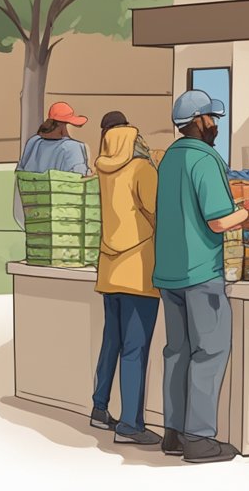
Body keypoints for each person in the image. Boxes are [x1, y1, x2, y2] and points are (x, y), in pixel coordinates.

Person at [153, 90, 248, 463]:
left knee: (177, 351)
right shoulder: (205, 159)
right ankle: (200, 438)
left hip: (169, 272)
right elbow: (218, 220)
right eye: (213, 118)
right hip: (201, 272)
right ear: (199, 121)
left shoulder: (170, 160)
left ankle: (173, 433)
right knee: (210, 351)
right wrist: (247, 211)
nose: (216, 125)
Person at [90, 111, 162, 444]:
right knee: (135, 348)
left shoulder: (104, 172)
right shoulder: (142, 170)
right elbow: (158, 211)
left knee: (111, 343)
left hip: (109, 269)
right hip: (138, 270)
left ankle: (100, 409)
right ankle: (131, 424)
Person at [13, 101, 92, 229]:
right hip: (62, 216)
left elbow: (21, 170)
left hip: (33, 214)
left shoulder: (33, 143)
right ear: (63, 126)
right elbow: (81, 178)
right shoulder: (73, 148)